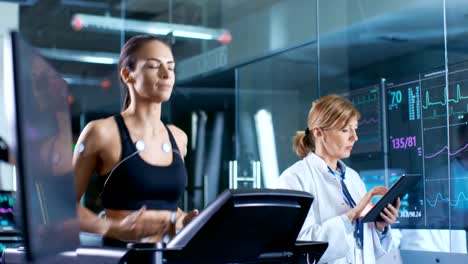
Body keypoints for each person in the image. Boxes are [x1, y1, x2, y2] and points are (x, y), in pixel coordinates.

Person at [73, 35, 198, 244]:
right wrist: (112, 228)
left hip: (167, 257)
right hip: (121, 257)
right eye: (153, 66)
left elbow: (162, 203)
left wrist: (183, 220)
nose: (166, 74)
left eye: (171, 67)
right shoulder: (101, 132)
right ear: (127, 75)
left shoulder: (178, 137)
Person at [275, 94, 399, 264]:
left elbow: (361, 246)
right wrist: (351, 215)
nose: (354, 137)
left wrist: (379, 226)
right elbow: (297, 247)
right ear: (319, 132)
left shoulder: (353, 178)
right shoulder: (294, 179)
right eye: (345, 130)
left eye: (355, 129)